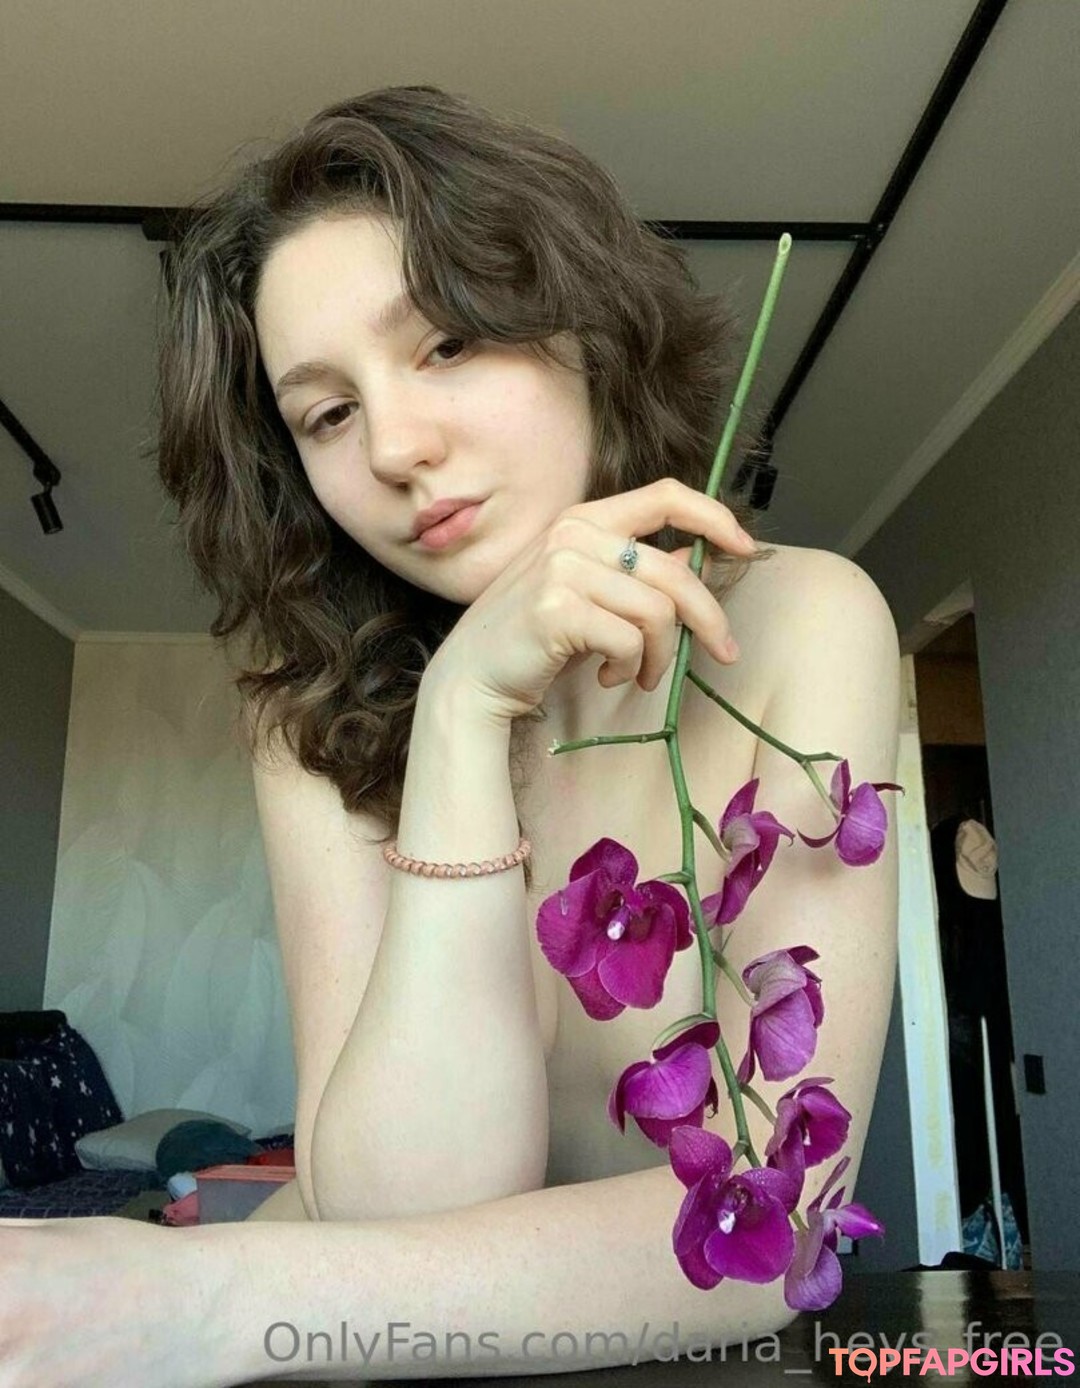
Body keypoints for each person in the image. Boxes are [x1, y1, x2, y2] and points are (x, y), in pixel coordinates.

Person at [0, 86, 900, 1386]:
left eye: (446, 343)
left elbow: (770, 1225)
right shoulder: (307, 714)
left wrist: (196, 1298)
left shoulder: (803, 623)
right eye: (326, 414)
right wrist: (463, 714)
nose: (397, 448)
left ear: (585, 326)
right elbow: (395, 1206)